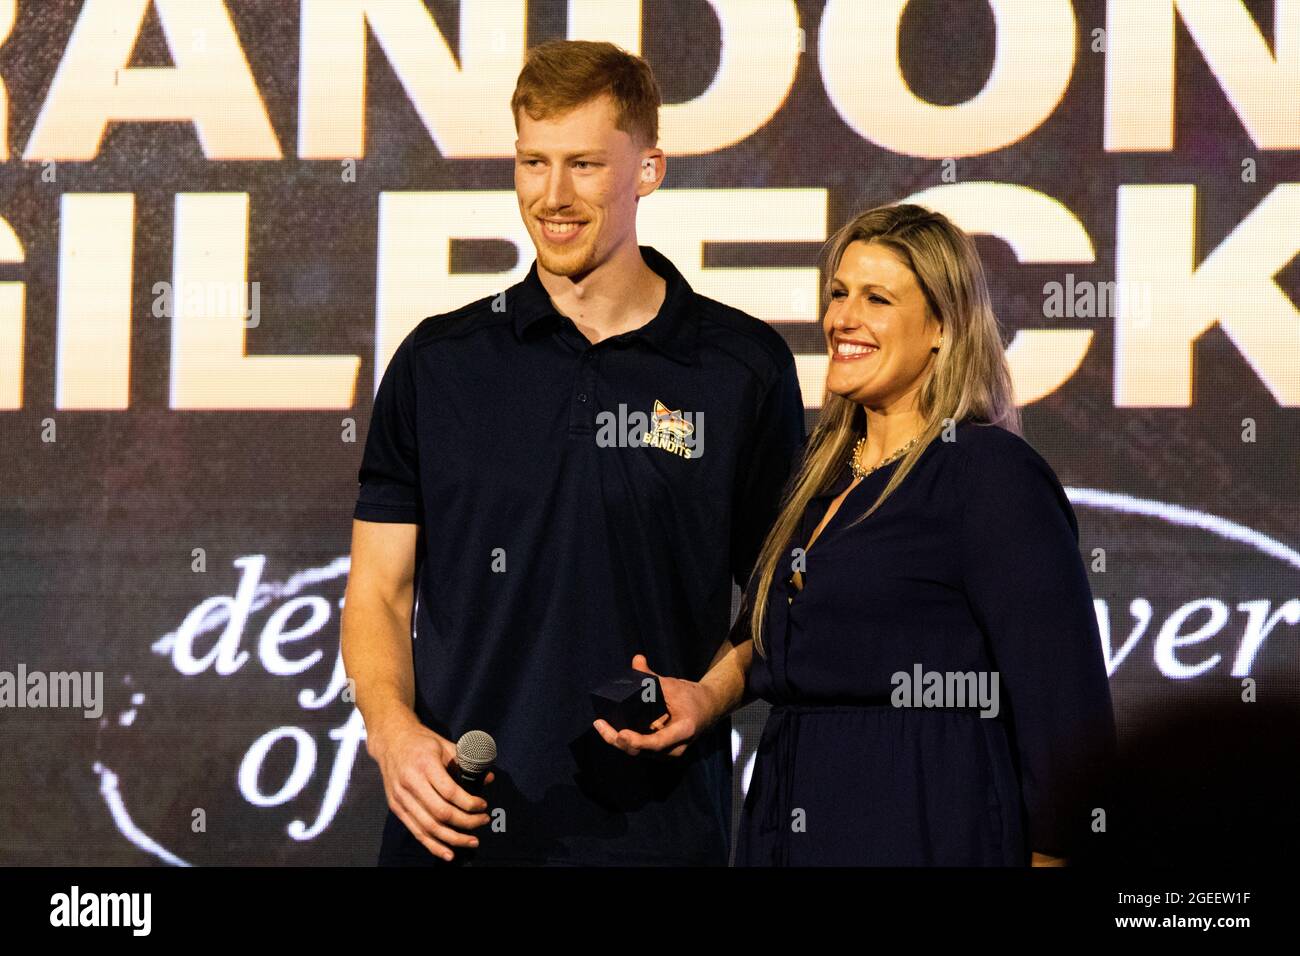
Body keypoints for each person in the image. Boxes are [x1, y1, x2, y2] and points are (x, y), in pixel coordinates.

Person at [340, 39, 805, 866]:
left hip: (658, 837)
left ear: (648, 168)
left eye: (585, 164)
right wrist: (393, 733)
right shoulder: (437, 363)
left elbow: (777, 599)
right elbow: (378, 590)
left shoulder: (740, 367)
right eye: (532, 162)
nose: (552, 196)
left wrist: (712, 693)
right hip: (457, 828)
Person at [593, 203, 1118, 866]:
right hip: (790, 818)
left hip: (929, 822)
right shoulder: (814, 478)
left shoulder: (988, 475)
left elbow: (1066, 713)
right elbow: (770, 635)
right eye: (839, 293)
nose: (842, 317)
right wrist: (704, 696)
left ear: (940, 327)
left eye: (877, 298)